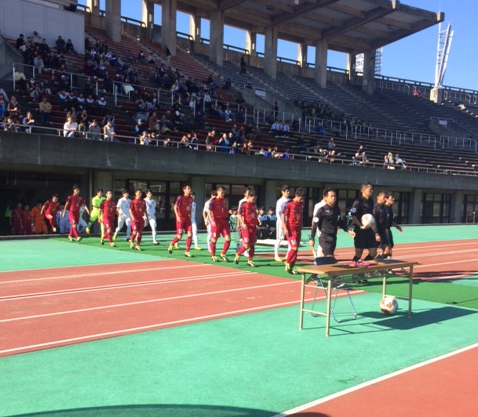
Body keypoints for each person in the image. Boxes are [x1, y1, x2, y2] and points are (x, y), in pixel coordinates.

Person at [310, 189, 353, 261]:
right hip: (324, 237)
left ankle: (317, 271)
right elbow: (315, 225)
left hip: (333, 237)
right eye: (331, 196)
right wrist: (312, 238)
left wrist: (348, 230)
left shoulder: (337, 209)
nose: (334, 198)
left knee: (325, 258)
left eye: (335, 196)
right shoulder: (321, 210)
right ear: (326, 198)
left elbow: (339, 222)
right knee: (330, 258)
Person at [350, 183, 381, 265]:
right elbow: (353, 216)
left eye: (372, 189)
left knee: (373, 253)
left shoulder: (371, 201)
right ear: (363, 190)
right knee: (358, 253)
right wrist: (360, 226)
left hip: (369, 231)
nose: (372, 191)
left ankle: (363, 267)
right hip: (360, 231)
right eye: (369, 189)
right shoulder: (357, 202)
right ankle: (352, 269)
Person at [281, 187, 306, 274]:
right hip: (290, 229)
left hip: (298, 228)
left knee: (296, 249)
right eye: (300, 198)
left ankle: (291, 267)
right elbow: (283, 216)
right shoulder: (289, 204)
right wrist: (285, 227)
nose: (301, 200)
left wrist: (301, 224)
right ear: (296, 195)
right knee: (294, 247)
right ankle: (287, 262)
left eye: (303, 198)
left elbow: (301, 216)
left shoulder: (301, 204)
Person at [234, 190, 259, 267]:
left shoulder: (254, 205)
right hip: (246, 227)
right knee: (246, 245)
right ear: (249, 196)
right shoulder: (243, 204)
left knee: (252, 245)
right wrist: (242, 223)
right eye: (253, 198)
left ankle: (250, 260)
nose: (254, 200)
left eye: (255, 198)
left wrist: (257, 222)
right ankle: (238, 254)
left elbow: (255, 214)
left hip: (253, 227)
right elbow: (239, 215)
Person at [168, 184, 194, 258]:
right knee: (179, 236)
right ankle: (172, 244)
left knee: (190, 234)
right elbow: (175, 207)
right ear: (184, 190)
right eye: (188, 188)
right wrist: (177, 216)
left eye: (190, 188)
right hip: (180, 218)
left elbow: (189, 208)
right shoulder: (180, 197)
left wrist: (190, 215)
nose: (189, 190)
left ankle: (187, 251)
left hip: (187, 218)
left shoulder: (191, 199)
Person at [207, 185, 231, 262]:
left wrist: (228, 212)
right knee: (214, 240)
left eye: (224, 192)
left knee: (228, 239)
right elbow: (209, 212)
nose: (223, 194)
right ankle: (213, 256)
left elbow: (224, 210)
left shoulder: (224, 200)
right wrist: (212, 221)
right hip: (216, 222)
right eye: (222, 192)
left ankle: (223, 253)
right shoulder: (213, 200)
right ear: (218, 192)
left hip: (223, 222)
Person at [383, 192, 404, 259]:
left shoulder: (390, 209)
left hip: (388, 230)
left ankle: (385, 262)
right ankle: (386, 264)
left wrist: (398, 227)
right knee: (388, 248)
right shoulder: (382, 208)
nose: (393, 199)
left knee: (389, 247)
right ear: (386, 199)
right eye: (391, 198)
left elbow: (391, 221)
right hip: (383, 230)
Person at [274, 185, 291, 262]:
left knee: (290, 238)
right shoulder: (280, 201)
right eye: (286, 191)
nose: (288, 192)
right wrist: (281, 222)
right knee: (279, 238)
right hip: (281, 221)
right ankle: (276, 255)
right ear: (282, 192)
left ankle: (288, 254)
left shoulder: (290, 201)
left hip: (289, 221)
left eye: (288, 191)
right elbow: (278, 213)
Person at [309, 193, 327, 259]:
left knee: (324, 242)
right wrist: (313, 226)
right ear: (324, 196)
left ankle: (320, 256)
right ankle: (319, 257)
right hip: (320, 226)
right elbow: (314, 217)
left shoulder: (329, 205)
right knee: (322, 241)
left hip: (327, 227)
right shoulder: (318, 205)